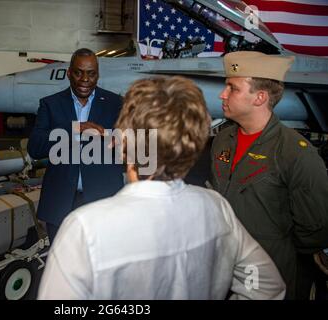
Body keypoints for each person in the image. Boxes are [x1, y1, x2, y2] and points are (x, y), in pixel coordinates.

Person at [37, 76, 285, 300]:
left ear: (124, 142)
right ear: (195, 143)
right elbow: (263, 282)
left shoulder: (85, 228)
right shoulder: (217, 209)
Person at [209, 51, 328, 299]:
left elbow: (314, 230)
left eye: (232, 88)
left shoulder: (295, 153)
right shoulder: (222, 140)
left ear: (260, 97)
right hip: (223, 270)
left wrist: (274, 247)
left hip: (272, 276)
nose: (223, 94)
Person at [28, 48, 124, 242]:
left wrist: (108, 135)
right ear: (69, 73)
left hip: (103, 202)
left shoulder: (116, 104)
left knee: (99, 265)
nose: (85, 79)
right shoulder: (50, 104)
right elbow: (35, 148)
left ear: (97, 75)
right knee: (62, 265)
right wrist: (73, 129)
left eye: (91, 73)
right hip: (61, 203)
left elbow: (132, 146)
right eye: (79, 72)